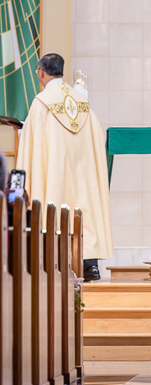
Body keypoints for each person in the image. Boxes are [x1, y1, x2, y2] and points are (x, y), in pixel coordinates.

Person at [16, 53, 113, 281]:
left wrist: (22, 130)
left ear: (40, 72)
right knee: (84, 209)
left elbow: (33, 141)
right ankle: (89, 265)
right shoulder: (81, 102)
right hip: (82, 173)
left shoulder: (41, 103)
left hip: (56, 173)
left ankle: (54, 264)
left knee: (55, 207)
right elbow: (97, 137)